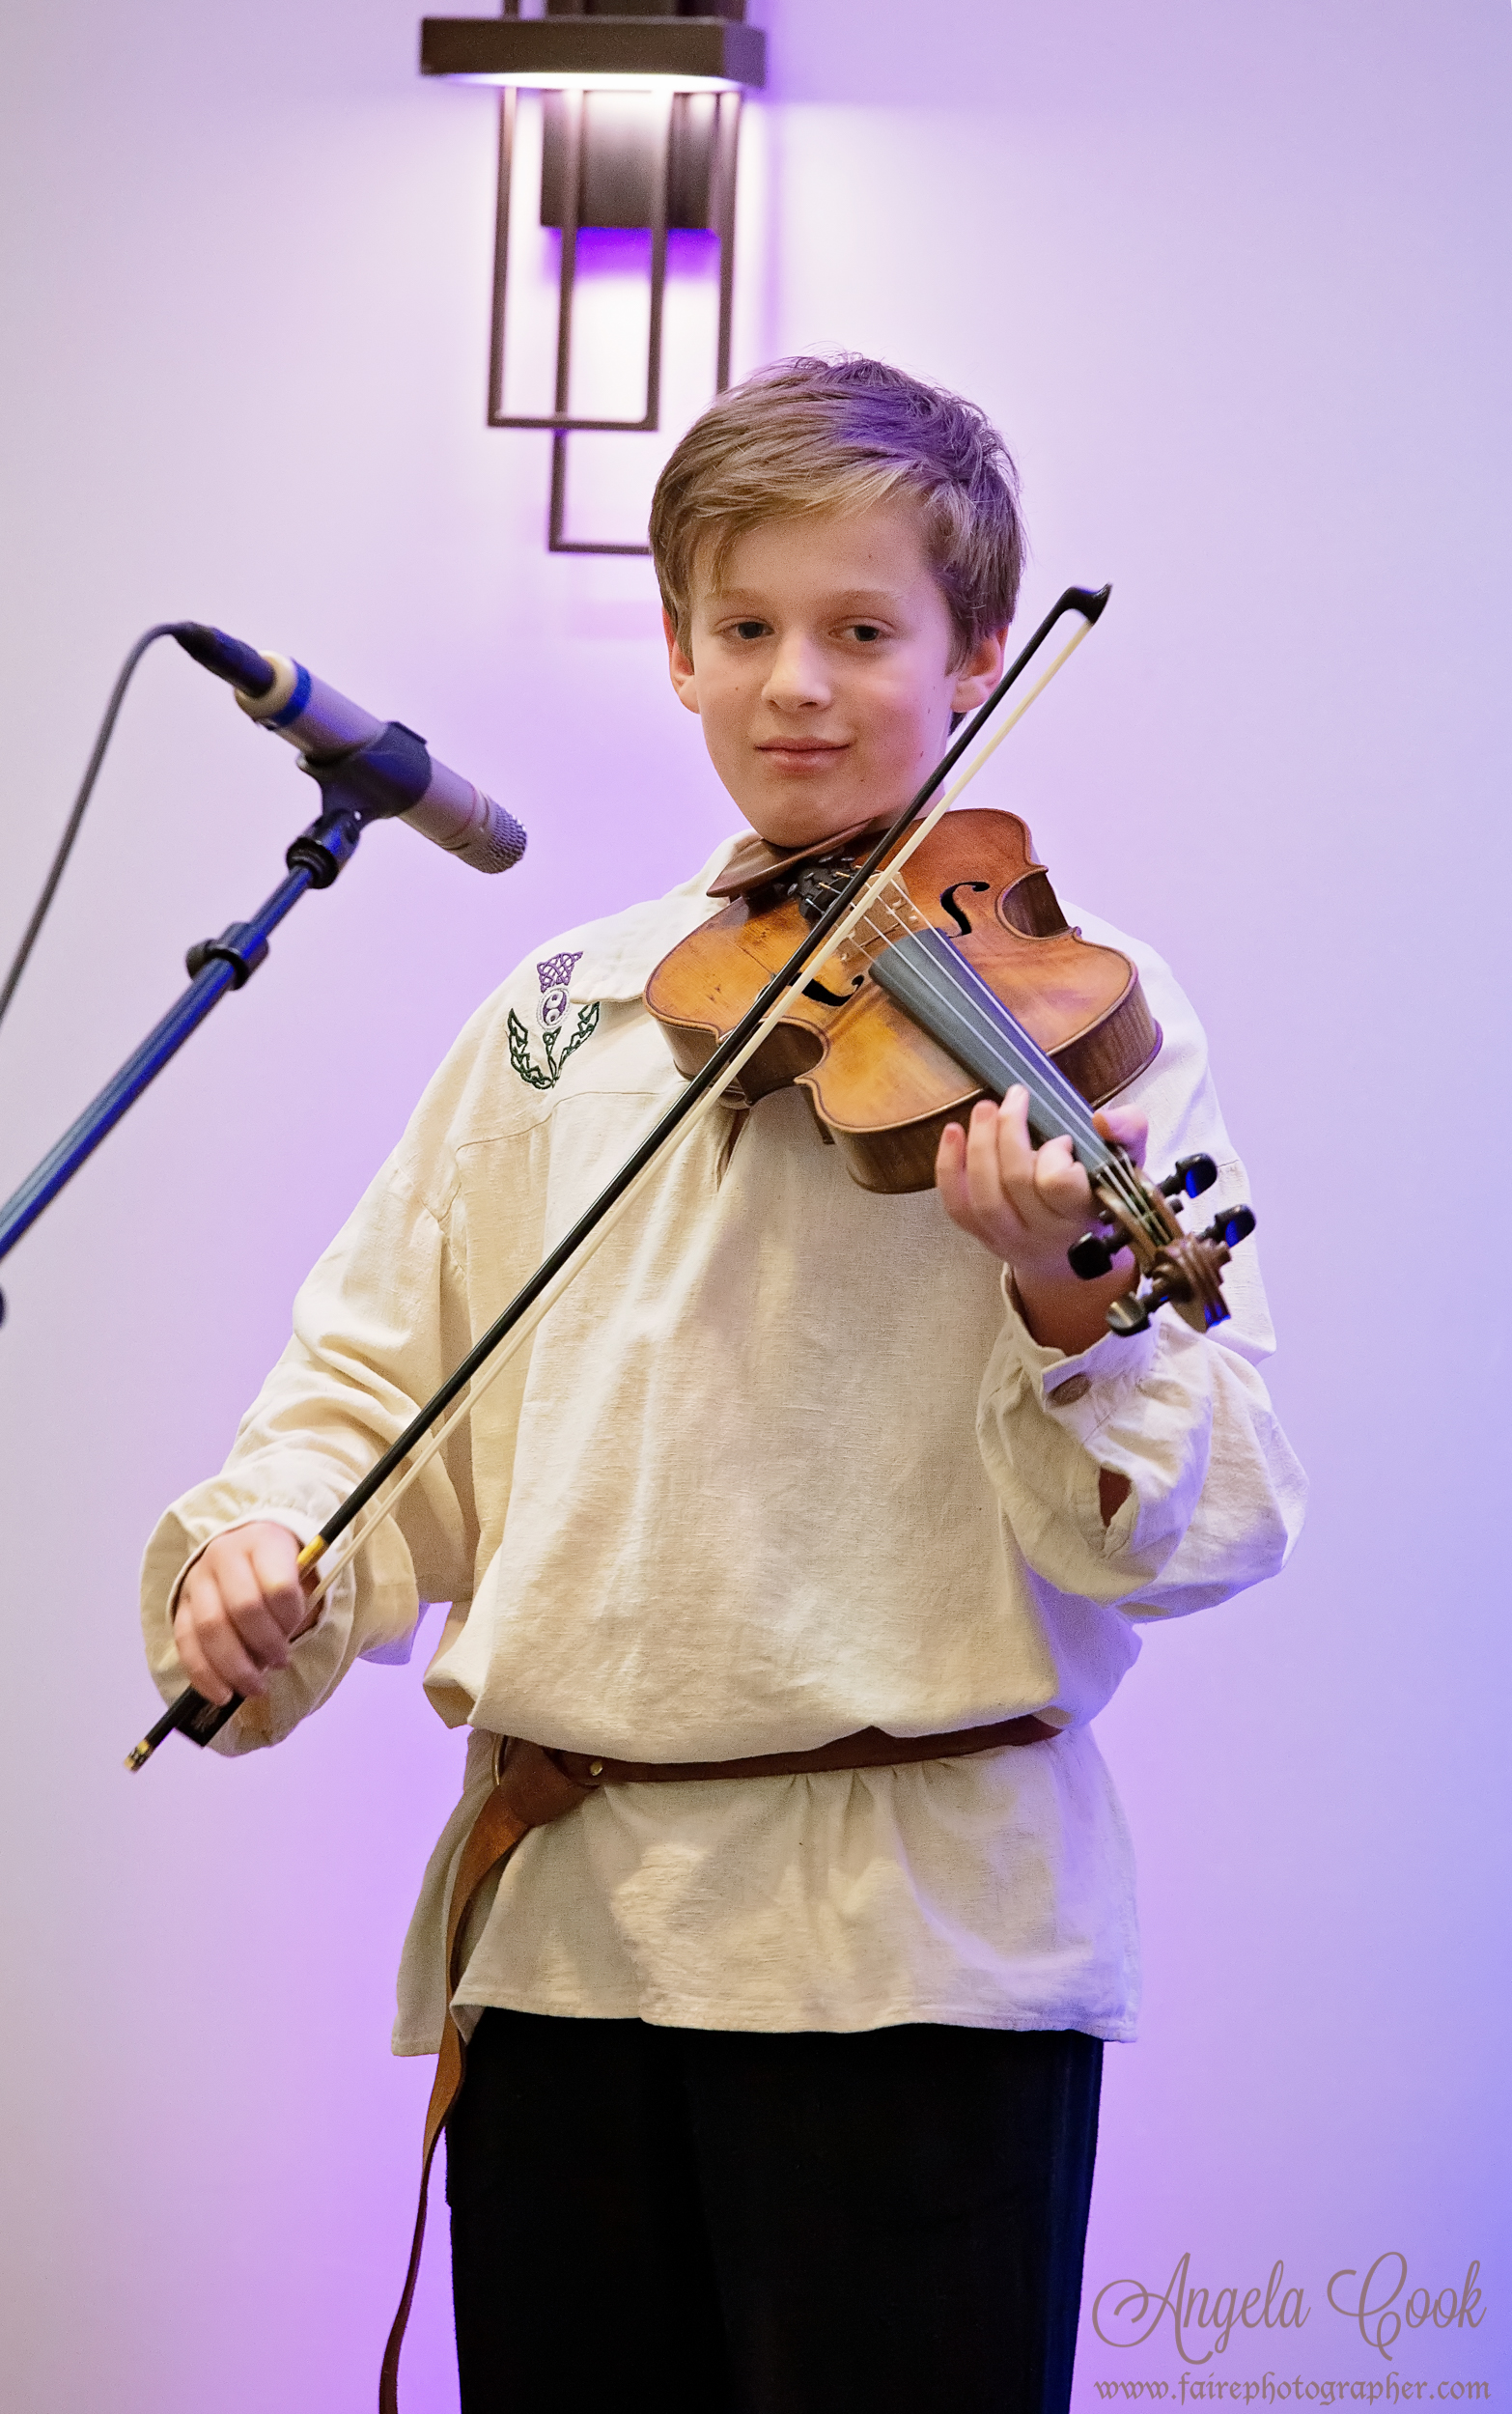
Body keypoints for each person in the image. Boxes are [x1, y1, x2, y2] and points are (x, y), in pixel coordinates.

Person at [141, 356, 1306, 2414]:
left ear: (972, 661)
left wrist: (1069, 1298)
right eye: (746, 628)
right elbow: (375, 1379)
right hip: (568, 1939)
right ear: (676, 648)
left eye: (863, 631)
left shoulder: (1071, 1016)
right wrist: (270, 1544)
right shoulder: (564, 1005)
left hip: (913, 1956)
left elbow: (1214, 1519)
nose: (797, 685)